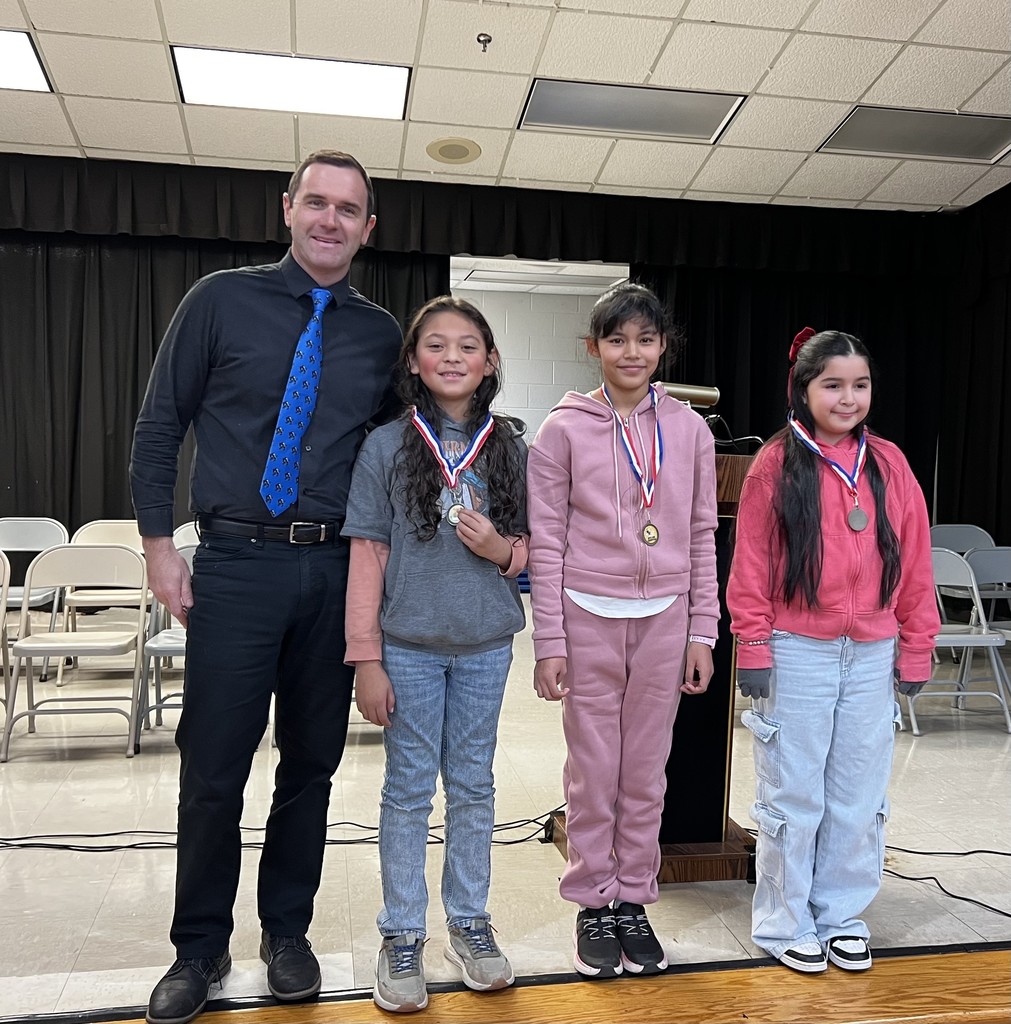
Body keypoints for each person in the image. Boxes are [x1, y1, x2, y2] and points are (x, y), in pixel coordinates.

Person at [130, 151, 403, 1024]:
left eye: (347, 209)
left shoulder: (381, 333)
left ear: (368, 228)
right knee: (212, 770)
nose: (329, 220)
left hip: (331, 568)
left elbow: (405, 458)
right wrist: (155, 545)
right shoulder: (218, 299)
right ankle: (198, 950)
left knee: (311, 769)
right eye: (315, 203)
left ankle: (287, 934)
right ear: (288, 209)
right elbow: (160, 425)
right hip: (236, 566)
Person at [726, 328, 939, 975]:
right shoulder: (773, 464)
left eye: (859, 385)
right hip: (798, 652)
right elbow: (752, 565)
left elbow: (916, 566)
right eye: (832, 385)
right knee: (793, 794)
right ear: (804, 389)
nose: (847, 398)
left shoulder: (891, 466)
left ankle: (839, 913)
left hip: (871, 655)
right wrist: (754, 646)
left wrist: (916, 651)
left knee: (857, 794)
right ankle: (784, 921)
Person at [526, 282, 719, 979]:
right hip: (585, 616)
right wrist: (549, 641)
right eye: (616, 339)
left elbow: (701, 536)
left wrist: (704, 630)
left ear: (663, 345)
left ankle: (633, 897)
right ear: (593, 349)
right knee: (591, 770)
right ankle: (590, 899)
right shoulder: (562, 429)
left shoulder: (691, 430)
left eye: (644, 338)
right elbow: (545, 544)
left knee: (644, 771)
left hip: (666, 619)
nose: (630, 351)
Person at [342, 295, 529, 1013]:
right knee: (408, 792)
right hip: (409, 648)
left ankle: (470, 924)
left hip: (484, 647)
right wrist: (366, 657)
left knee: (475, 788)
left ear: (488, 364)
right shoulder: (386, 446)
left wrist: (502, 551)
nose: (452, 357)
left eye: (467, 346)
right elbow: (366, 553)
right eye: (436, 345)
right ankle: (401, 935)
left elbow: (536, 553)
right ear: (415, 362)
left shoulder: (512, 446)